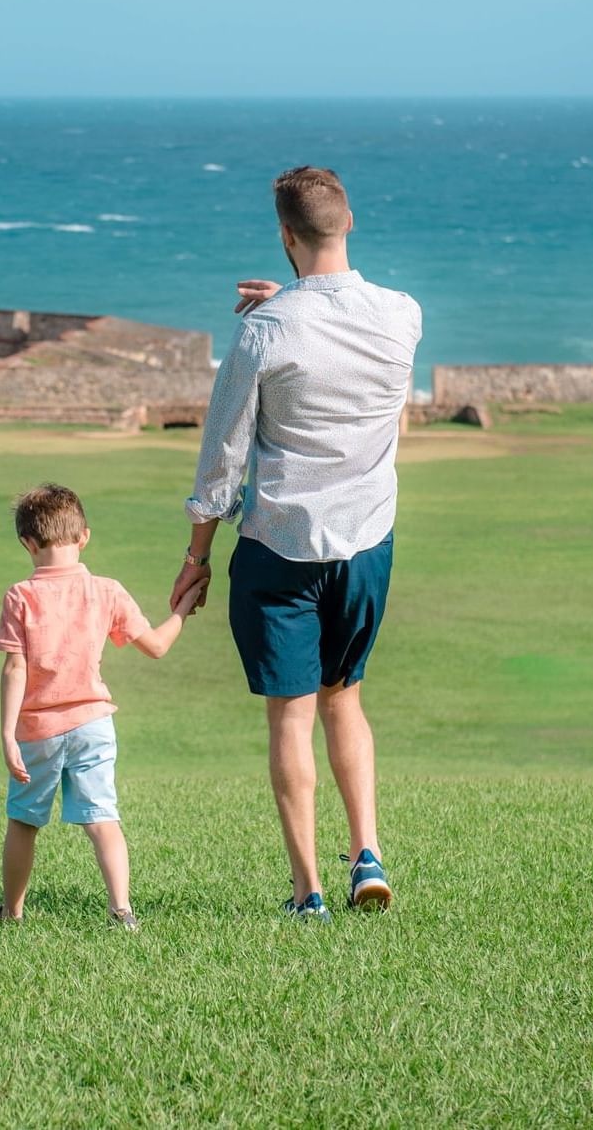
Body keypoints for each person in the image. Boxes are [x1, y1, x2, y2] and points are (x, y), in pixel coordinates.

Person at [172, 166, 422, 922]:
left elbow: (221, 459)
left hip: (280, 546)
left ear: (285, 235)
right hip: (366, 543)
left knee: (290, 718)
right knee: (344, 698)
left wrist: (196, 555)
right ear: (350, 223)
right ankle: (367, 851)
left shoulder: (262, 333)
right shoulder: (404, 314)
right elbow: (340, 327)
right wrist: (286, 303)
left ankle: (308, 890)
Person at [0, 483, 204, 930]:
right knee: (103, 817)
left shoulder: (20, 596)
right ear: (84, 537)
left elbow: (14, 669)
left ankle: (12, 913)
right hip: (94, 724)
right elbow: (156, 646)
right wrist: (182, 609)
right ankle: (121, 909)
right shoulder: (107, 591)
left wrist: (7, 734)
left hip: (37, 730)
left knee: (23, 822)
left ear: (27, 542)